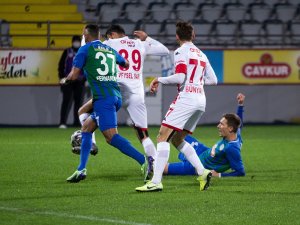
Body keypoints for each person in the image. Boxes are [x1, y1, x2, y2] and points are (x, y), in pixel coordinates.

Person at [73, 24, 170, 181]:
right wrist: (147, 38)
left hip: (114, 90)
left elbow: (90, 46)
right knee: (143, 135)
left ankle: (91, 142)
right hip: (136, 94)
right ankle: (156, 167)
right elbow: (165, 51)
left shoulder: (109, 44)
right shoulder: (140, 44)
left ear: (111, 35)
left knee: (83, 111)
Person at [135, 21, 218, 192]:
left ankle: (156, 181)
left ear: (177, 37)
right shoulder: (202, 54)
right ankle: (202, 172)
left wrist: (158, 79)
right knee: (177, 139)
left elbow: (180, 77)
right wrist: (197, 82)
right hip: (200, 101)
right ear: (193, 36)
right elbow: (214, 80)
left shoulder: (181, 51)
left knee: (162, 136)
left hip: (186, 98)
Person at [61, 24, 148, 183]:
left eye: (83, 35)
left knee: (111, 137)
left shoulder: (85, 49)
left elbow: (74, 75)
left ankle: (144, 161)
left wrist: (64, 79)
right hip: (115, 96)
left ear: (86, 35)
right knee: (87, 127)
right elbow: (126, 64)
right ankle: (81, 169)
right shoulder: (109, 49)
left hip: (103, 98)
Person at [164, 93, 246, 178]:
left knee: (163, 169)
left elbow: (240, 172)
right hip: (202, 150)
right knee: (174, 134)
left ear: (230, 129)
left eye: (221, 124)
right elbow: (238, 124)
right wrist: (240, 105)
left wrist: (219, 175)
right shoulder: (236, 133)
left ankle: (156, 166)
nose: (218, 126)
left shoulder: (231, 148)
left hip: (197, 166)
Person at [58, 35, 85, 128]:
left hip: (80, 81)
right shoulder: (67, 51)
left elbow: (87, 67)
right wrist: (62, 79)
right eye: (75, 41)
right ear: (72, 42)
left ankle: (77, 122)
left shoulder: (83, 52)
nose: (76, 43)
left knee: (79, 102)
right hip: (68, 80)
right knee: (66, 101)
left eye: (78, 41)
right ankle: (62, 122)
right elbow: (61, 66)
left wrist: (84, 79)